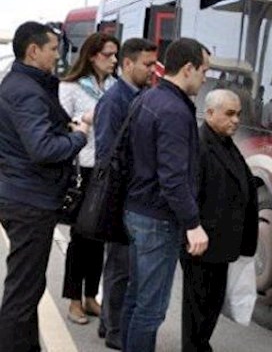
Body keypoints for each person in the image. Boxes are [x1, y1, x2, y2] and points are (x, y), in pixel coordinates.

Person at [0, 21, 89, 351]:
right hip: (29, 201)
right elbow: (43, 149)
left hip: (24, 194)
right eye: (53, 49)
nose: (58, 55)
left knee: (28, 287)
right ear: (33, 50)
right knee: (23, 293)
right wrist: (79, 136)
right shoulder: (26, 91)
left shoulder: (23, 84)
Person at [121, 37, 211, 352]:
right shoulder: (174, 111)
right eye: (204, 71)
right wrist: (193, 223)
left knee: (136, 297)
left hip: (137, 209)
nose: (205, 79)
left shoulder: (148, 98)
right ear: (188, 68)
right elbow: (173, 178)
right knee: (151, 308)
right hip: (158, 219)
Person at [181, 89, 259, 352]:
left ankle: (201, 345)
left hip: (223, 242)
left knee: (212, 302)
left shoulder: (225, 143)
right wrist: (193, 230)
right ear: (210, 113)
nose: (236, 120)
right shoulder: (200, 145)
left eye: (238, 114)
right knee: (198, 305)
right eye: (230, 114)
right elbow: (190, 194)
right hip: (204, 242)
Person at [94, 38, 158, 350]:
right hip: (120, 195)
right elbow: (106, 153)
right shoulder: (113, 100)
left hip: (134, 194)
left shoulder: (143, 96)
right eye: (147, 64)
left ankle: (110, 322)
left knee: (128, 266)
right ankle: (114, 329)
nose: (152, 70)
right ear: (128, 64)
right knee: (119, 267)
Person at [59, 32, 120, 326]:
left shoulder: (114, 86)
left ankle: (91, 296)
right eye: (108, 54)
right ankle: (74, 299)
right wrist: (84, 120)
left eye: (116, 54)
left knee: (99, 236)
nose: (114, 60)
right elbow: (61, 123)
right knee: (81, 237)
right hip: (81, 168)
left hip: (106, 168)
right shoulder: (70, 86)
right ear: (93, 55)